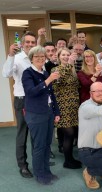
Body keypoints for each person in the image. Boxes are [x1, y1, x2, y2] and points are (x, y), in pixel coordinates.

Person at [21, 46, 60, 185]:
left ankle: (46, 171)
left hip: (48, 112)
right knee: (39, 145)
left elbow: (51, 94)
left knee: (47, 144)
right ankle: (40, 174)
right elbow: (31, 92)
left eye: (43, 57)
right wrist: (48, 80)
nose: (40, 59)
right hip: (36, 114)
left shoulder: (44, 72)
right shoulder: (28, 73)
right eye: (37, 57)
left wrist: (56, 112)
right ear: (31, 58)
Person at [2, 31, 37, 178]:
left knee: (37, 134)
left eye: (32, 42)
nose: (30, 44)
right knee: (22, 133)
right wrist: (10, 55)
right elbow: (6, 73)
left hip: (37, 101)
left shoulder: (37, 57)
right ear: (22, 44)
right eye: (27, 42)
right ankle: (23, 165)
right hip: (22, 100)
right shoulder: (16, 58)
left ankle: (39, 160)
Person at [52, 48, 81, 169]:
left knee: (73, 133)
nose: (66, 56)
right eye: (63, 55)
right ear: (59, 57)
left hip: (74, 107)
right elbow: (59, 80)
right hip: (62, 106)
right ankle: (67, 161)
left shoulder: (73, 70)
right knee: (68, 133)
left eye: (68, 55)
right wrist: (69, 64)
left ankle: (70, 158)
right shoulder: (56, 69)